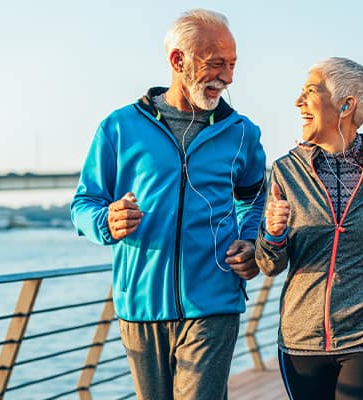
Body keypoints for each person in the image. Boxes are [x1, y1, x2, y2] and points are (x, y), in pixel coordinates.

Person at [70, 9, 266, 400]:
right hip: (139, 306)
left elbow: (255, 198)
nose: (227, 78)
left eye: (232, 65)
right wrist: (106, 220)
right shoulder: (120, 127)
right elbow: (83, 204)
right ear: (179, 61)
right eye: (216, 64)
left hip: (214, 301)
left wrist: (250, 241)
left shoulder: (242, 133)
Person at [255, 57, 363, 400]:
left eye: (310, 91)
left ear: (345, 105)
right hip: (301, 341)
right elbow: (269, 264)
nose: (298, 102)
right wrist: (273, 235)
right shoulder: (285, 172)